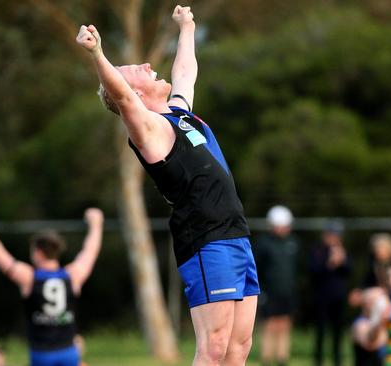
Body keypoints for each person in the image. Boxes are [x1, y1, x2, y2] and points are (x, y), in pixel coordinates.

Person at [76, 6, 259, 365]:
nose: (146, 65)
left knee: (239, 349)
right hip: (206, 239)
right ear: (134, 95)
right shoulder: (149, 131)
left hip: (235, 234)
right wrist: (98, 55)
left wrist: (187, 27)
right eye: (133, 71)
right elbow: (124, 99)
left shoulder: (178, 115)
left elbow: (186, 72)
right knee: (214, 347)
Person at [0, 204, 104, 366]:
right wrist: (96, 224)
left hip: (42, 353)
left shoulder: (29, 278)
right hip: (68, 351)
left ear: (38, 252)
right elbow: (90, 251)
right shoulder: (73, 275)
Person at [255, 205, 299, 366]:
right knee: (269, 326)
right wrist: (260, 292)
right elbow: (256, 269)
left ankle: (282, 359)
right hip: (269, 292)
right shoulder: (263, 244)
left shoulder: (293, 242)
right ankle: (266, 359)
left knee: (285, 324)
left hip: (287, 292)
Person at [309, 221, 350, 366]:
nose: (334, 238)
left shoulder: (342, 250)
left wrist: (342, 261)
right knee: (320, 331)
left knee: (338, 333)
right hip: (322, 297)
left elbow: (348, 272)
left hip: (338, 298)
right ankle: (318, 360)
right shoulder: (318, 250)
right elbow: (314, 272)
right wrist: (331, 263)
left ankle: (337, 360)